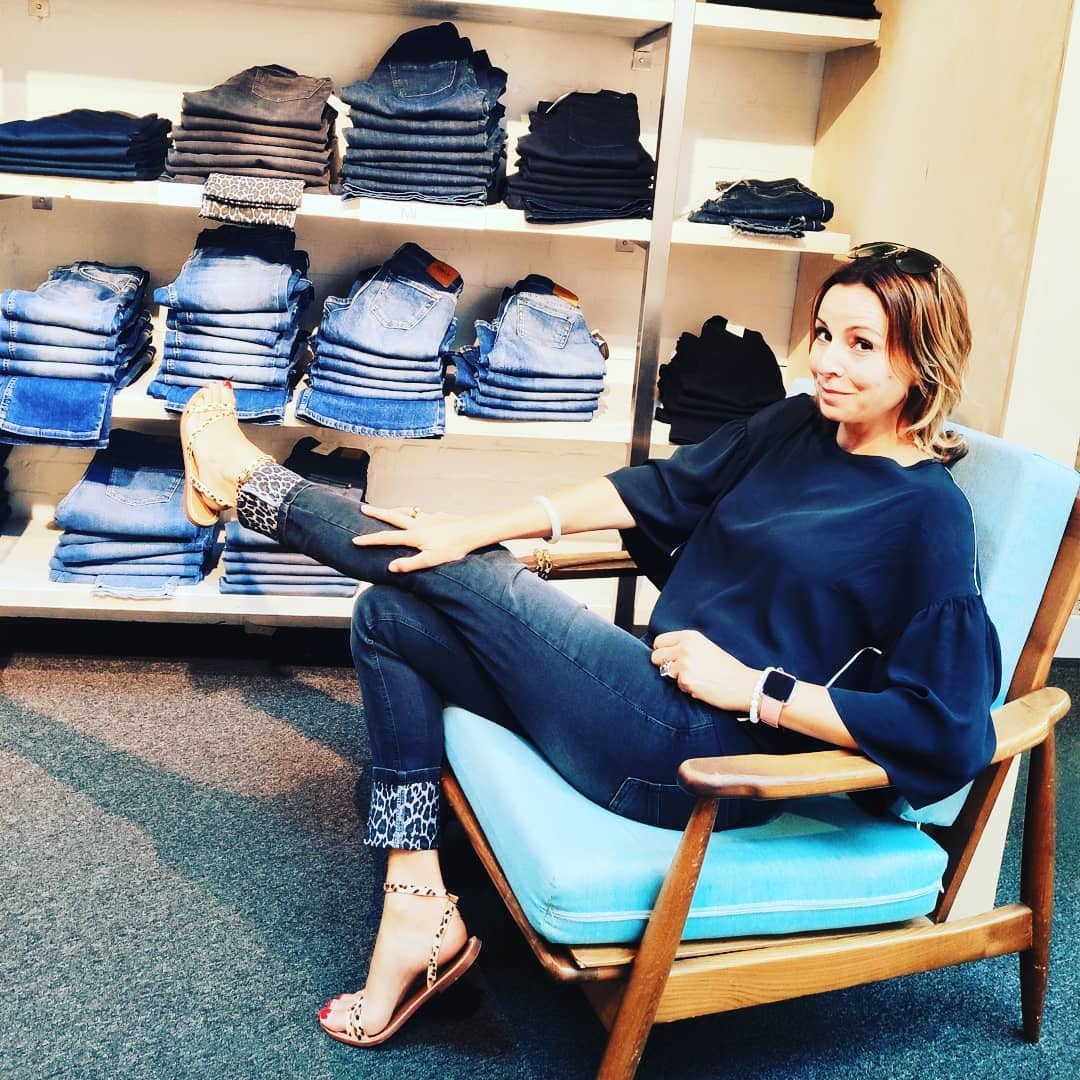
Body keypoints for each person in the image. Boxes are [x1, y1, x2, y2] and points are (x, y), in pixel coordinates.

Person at [178, 242, 1001, 1048]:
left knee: (471, 572)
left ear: (922, 363)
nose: (827, 362)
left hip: (703, 761)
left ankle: (249, 484)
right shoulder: (799, 425)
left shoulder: (928, 515)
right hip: (647, 694)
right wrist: (491, 526)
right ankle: (415, 905)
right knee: (389, 617)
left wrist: (757, 689)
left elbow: (948, 729)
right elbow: (659, 491)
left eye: (862, 345)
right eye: (823, 333)